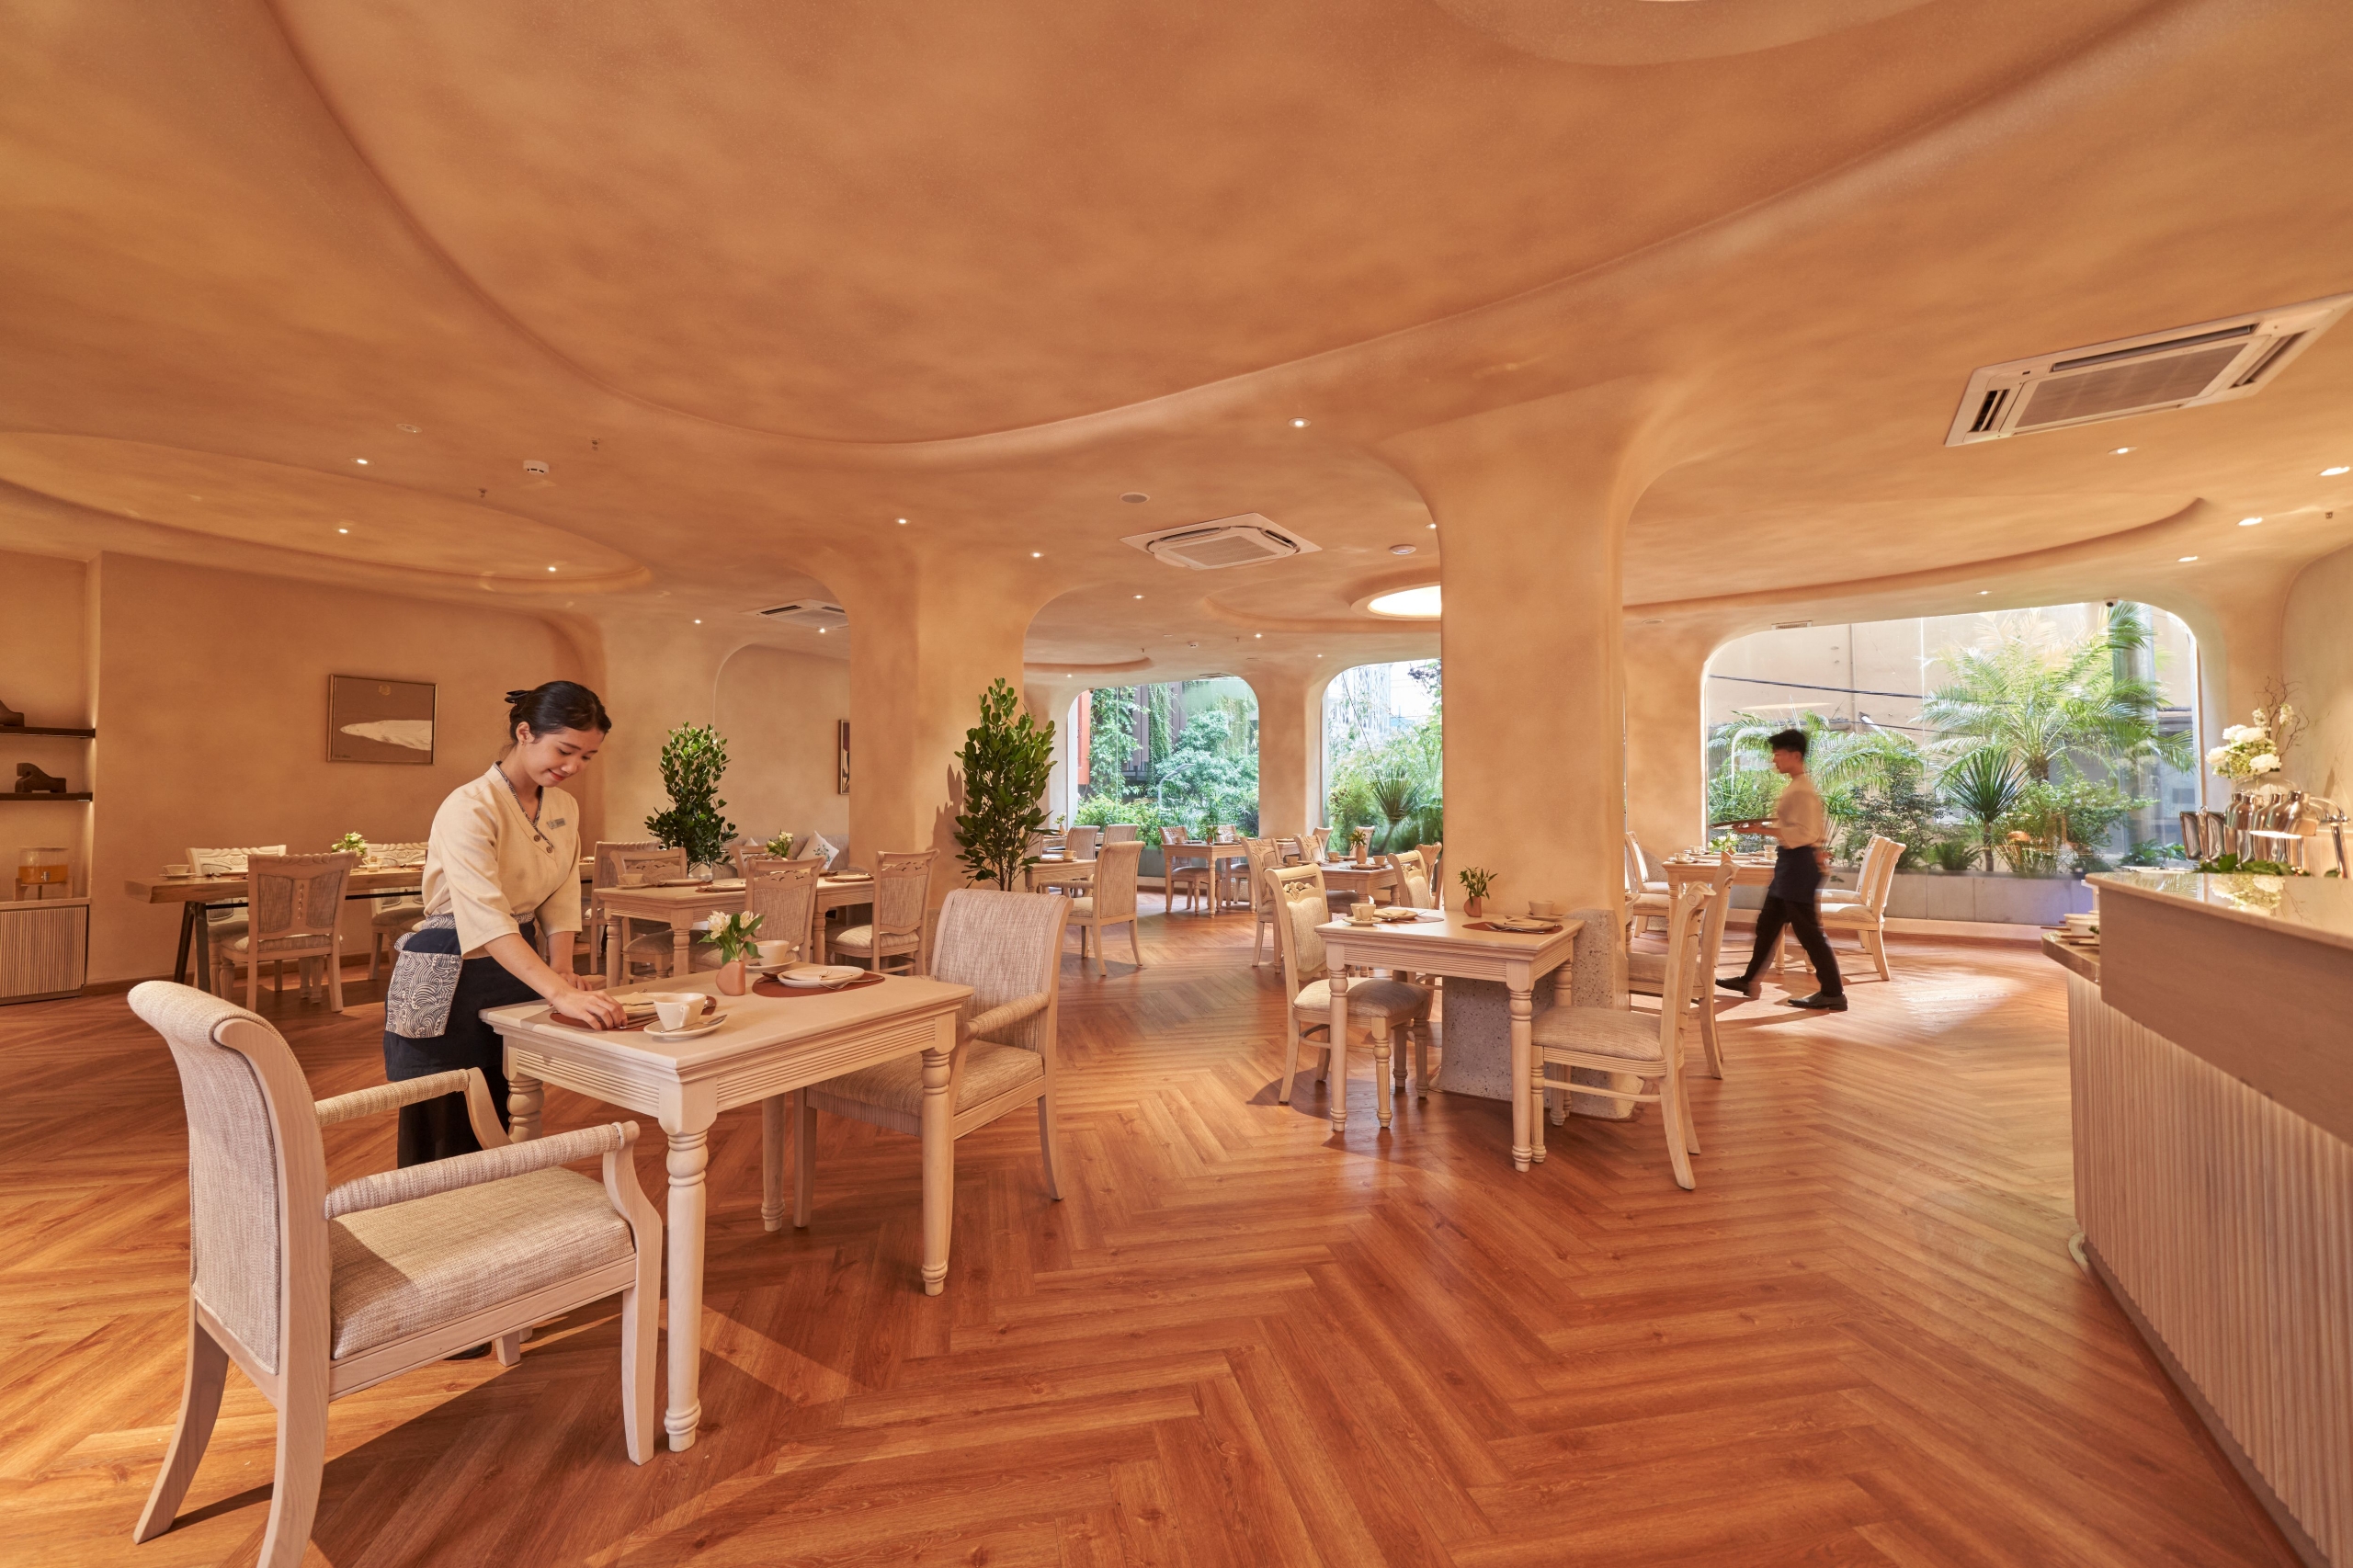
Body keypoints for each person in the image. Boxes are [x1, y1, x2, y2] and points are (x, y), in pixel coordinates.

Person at [382, 681, 629, 1168]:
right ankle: (435, 1216)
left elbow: (562, 892)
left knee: (503, 1103)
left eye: (587, 757)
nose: (573, 767)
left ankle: (498, 1210)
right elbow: (485, 916)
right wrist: (558, 992)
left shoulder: (564, 807)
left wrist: (562, 968)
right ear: (525, 733)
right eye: (565, 750)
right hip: (449, 968)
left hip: (516, 964)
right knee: (446, 1121)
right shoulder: (469, 805)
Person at [1718, 728, 1847, 1011]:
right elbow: (1795, 828)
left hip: (1799, 866)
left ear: (1795, 755)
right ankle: (1748, 980)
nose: (1774, 760)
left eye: (1778, 754)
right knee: (1767, 925)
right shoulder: (1797, 786)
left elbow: (1805, 833)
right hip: (1791, 864)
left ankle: (1834, 993)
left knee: (1808, 932)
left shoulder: (1802, 790)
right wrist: (1759, 827)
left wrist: (1761, 830)